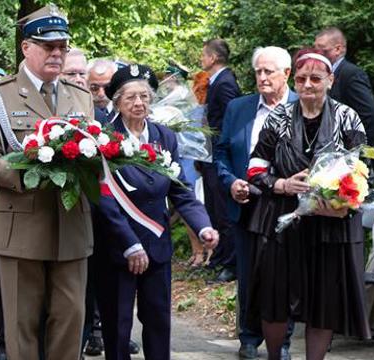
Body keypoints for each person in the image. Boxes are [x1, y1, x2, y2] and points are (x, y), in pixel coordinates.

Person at [0, 4, 94, 359]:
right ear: (27, 47)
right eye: (48, 46)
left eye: (62, 47)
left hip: (72, 228)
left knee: (70, 326)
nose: (57, 54)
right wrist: (29, 174)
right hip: (21, 228)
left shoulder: (79, 95)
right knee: (22, 331)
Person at [245, 48, 371, 360]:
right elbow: (256, 166)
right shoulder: (278, 117)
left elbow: (364, 170)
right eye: (301, 79)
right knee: (274, 298)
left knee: (323, 301)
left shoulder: (347, 117)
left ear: (330, 80)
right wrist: (282, 184)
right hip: (283, 219)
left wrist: (344, 200)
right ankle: (275, 356)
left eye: (316, 78)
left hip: (330, 223)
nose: (308, 84)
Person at [94, 63, 219, 360]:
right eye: (130, 98)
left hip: (157, 248)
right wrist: (129, 245)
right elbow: (104, 199)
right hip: (118, 248)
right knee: (118, 328)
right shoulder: (104, 139)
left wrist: (203, 227)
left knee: (159, 323)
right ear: (117, 103)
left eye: (145, 97)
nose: (139, 103)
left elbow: (180, 189)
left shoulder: (164, 137)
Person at [214, 46, 298, 360]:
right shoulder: (239, 108)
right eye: (258, 71)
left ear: (286, 74)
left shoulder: (301, 107)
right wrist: (230, 181)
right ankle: (248, 338)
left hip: (287, 207)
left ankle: (283, 341)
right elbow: (221, 152)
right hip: (246, 203)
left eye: (268, 72)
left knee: (284, 277)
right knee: (248, 275)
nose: (261, 77)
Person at [199, 38, 241, 282]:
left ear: (213, 58)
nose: (201, 59)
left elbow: (229, 121)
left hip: (219, 154)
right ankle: (219, 256)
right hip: (209, 154)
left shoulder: (225, 83)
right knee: (213, 207)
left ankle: (231, 263)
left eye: (204, 55)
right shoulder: (215, 82)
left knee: (223, 209)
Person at [314, 27, 374, 147]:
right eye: (315, 51)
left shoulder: (351, 74)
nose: (318, 55)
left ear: (337, 49)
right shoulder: (322, 74)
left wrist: (357, 149)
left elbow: (369, 114)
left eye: (323, 51)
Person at [87, 59, 117, 123]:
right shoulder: (79, 111)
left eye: (107, 87)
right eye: (94, 88)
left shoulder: (126, 112)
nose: (101, 94)